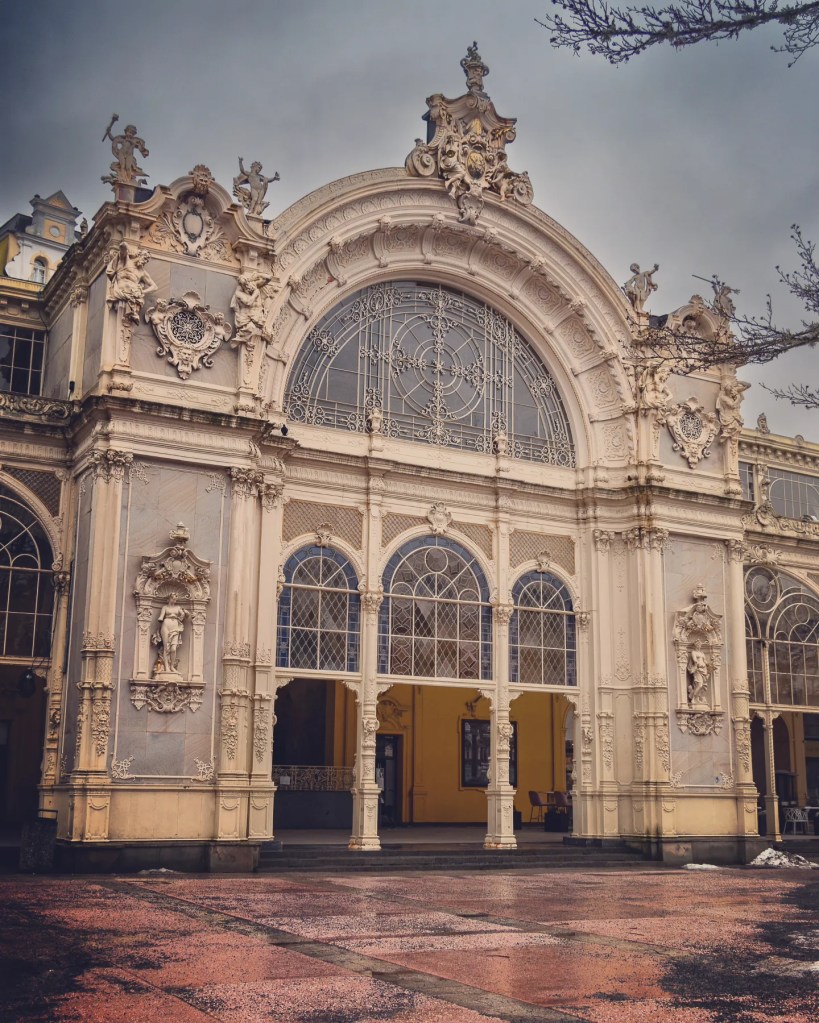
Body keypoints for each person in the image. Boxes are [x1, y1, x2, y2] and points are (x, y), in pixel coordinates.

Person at [102, 116, 149, 187]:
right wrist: (109, 132)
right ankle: (123, 179)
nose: (130, 134)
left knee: (128, 167)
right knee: (122, 166)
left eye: (132, 133)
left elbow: (138, 146)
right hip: (121, 153)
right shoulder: (122, 139)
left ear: (134, 134)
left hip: (129, 155)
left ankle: (127, 180)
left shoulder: (134, 141)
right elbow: (113, 139)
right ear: (126, 131)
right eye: (129, 132)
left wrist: (132, 142)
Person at [157, 594, 188, 674]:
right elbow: (161, 616)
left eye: (175, 599)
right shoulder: (165, 607)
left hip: (175, 626)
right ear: (169, 598)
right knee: (166, 648)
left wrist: (186, 613)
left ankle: (172, 666)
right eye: (173, 599)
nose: (175, 600)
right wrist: (160, 618)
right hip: (166, 625)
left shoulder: (178, 608)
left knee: (173, 649)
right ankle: (166, 667)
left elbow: (185, 615)